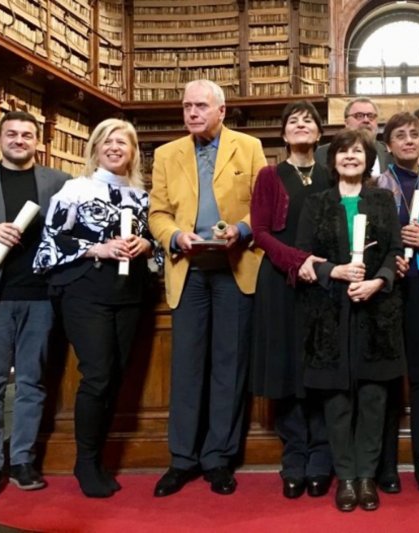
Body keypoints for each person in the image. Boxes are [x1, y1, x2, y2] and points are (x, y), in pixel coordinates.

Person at [149, 79, 266, 497]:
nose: (192, 113)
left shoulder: (248, 147)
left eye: (200, 105)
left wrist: (242, 229)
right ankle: (182, 459)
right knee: (187, 367)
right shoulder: (166, 154)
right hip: (189, 269)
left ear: (221, 109)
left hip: (235, 267)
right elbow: (158, 212)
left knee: (229, 366)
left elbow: (263, 204)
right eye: (186, 106)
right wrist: (175, 237)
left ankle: (219, 458)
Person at [33, 118, 153, 498]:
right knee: (97, 374)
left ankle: (98, 457)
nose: (115, 147)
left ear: (133, 152)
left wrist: (146, 246)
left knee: (115, 375)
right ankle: (85, 461)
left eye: (123, 142)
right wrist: (95, 248)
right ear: (95, 148)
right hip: (85, 288)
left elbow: (154, 237)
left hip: (130, 290)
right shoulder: (75, 189)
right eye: (108, 141)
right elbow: (51, 240)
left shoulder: (142, 195)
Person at [0, 111, 70, 497]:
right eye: (12, 134)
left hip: (41, 297)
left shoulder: (60, 182)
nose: (19, 140)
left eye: (26, 134)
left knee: (31, 382)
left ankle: (22, 459)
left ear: (37, 141)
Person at [296, 129, 404, 512]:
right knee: (338, 403)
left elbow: (394, 250)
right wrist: (334, 272)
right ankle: (345, 478)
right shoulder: (317, 203)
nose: (350, 157)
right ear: (333, 160)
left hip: (376, 313)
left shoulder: (382, 200)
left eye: (358, 151)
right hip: (329, 315)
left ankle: (366, 478)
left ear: (368, 158)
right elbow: (303, 254)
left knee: (374, 400)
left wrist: (378, 282)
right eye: (343, 152)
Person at [249, 101, 332, 499]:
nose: (301, 126)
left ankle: (321, 453)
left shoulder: (333, 175)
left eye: (308, 122)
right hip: (280, 280)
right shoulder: (269, 175)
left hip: (323, 281)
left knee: (319, 365)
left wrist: (320, 267)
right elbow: (261, 231)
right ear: (283, 135)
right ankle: (294, 454)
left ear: (319, 133)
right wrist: (298, 262)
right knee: (287, 366)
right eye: (293, 122)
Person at [375, 112, 419, 494]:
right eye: (399, 136)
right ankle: (386, 463)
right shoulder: (375, 186)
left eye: (414, 134)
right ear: (388, 145)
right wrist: (389, 258)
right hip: (388, 288)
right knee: (386, 376)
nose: (408, 141)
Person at [315, 97, 392, 176]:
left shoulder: (391, 153)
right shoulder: (322, 154)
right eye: (359, 116)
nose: (366, 120)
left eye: (371, 116)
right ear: (347, 123)